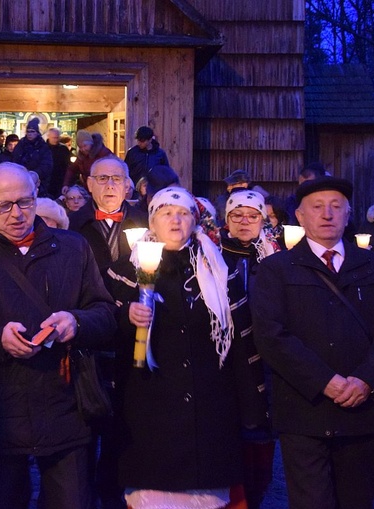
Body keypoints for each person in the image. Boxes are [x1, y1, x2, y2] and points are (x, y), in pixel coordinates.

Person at [0, 163, 117, 509]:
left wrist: (77, 323)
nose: (17, 214)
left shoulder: (73, 248)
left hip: (65, 408)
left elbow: (106, 316)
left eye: (26, 202)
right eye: (4, 205)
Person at [250, 176, 374, 509]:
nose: (327, 214)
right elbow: (271, 335)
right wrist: (325, 381)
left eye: (336, 207)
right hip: (303, 412)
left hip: (360, 411)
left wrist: (366, 380)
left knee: (358, 499)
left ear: (348, 214)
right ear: (300, 215)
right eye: (317, 207)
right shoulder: (277, 269)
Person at [118, 186, 268, 509]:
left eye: (183, 213)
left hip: (210, 409)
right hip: (150, 410)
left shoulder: (218, 269)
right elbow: (105, 327)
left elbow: (239, 340)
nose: (175, 220)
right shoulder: (126, 269)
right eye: (166, 213)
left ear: (194, 221)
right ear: (152, 221)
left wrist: (253, 409)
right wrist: (126, 315)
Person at [68, 156, 149, 508]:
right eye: (102, 178)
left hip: (135, 339)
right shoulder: (71, 228)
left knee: (124, 428)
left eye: (117, 178)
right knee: (85, 428)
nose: (110, 185)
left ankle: (115, 493)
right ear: (88, 184)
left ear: (128, 185)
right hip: (89, 339)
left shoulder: (147, 225)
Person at [219, 190, 279, 508]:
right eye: (237, 215)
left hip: (265, 362)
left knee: (260, 439)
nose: (245, 221)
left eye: (252, 215)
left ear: (262, 220)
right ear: (227, 220)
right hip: (228, 359)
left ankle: (255, 493)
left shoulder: (273, 258)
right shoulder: (212, 257)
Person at [13, 117, 54, 197]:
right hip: (21, 180)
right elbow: (15, 160)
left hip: (38, 182)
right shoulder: (21, 144)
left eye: (32, 131)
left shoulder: (43, 146)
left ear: (37, 132)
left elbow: (47, 165)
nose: (30, 134)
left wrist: (35, 174)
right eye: (28, 132)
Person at [46, 127, 72, 198]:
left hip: (60, 181)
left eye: (57, 138)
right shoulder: (43, 148)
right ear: (49, 136)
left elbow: (67, 165)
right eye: (53, 138)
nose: (55, 140)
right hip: (47, 182)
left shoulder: (63, 149)